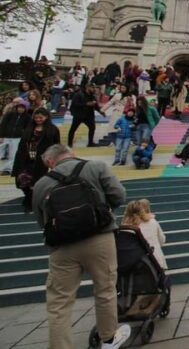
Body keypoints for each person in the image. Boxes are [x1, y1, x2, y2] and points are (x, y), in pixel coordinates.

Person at [32, 144, 130, 349]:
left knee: (59, 302)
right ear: (71, 153)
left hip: (62, 247)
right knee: (105, 289)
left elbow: (42, 220)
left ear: (51, 161)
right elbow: (119, 195)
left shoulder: (41, 184)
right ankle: (109, 338)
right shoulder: (96, 167)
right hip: (99, 238)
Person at [13, 107, 61, 211]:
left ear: (46, 117)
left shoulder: (53, 129)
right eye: (36, 117)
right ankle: (28, 197)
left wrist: (54, 158)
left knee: (36, 181)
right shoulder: (29, 128)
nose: (38, 119)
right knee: (22, 179)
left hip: (41, 160)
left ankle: (32, 200)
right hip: (26, 158)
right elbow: (22, 143)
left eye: (41, 117)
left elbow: (56, 145)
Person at [122, 199, 167, 270]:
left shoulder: (125, 228)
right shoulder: (153, 222)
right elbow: (162, 240)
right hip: (156, 260)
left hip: (136, 264)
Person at [0, 101, 30, 175]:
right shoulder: (9, 114)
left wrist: (23, 135)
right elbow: (3, 125)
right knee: (4, 154)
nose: (20, 109)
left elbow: (28, 128)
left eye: (22, 108)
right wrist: (1, 136)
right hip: (6, 137)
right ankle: (4, 168)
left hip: (17, 138)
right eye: (19, 107)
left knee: (13, 154)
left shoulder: (27, 117)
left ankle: (9, 169)